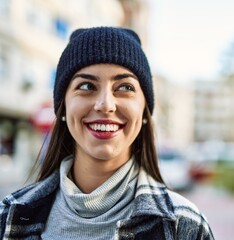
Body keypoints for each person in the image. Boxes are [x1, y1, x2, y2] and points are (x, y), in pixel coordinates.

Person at [0, 27, 214, 239]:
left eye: (125, 87)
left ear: (145, 111)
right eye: (86, 86)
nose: (105, 105)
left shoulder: (185, 226)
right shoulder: (9, 216)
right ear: (63, 107)